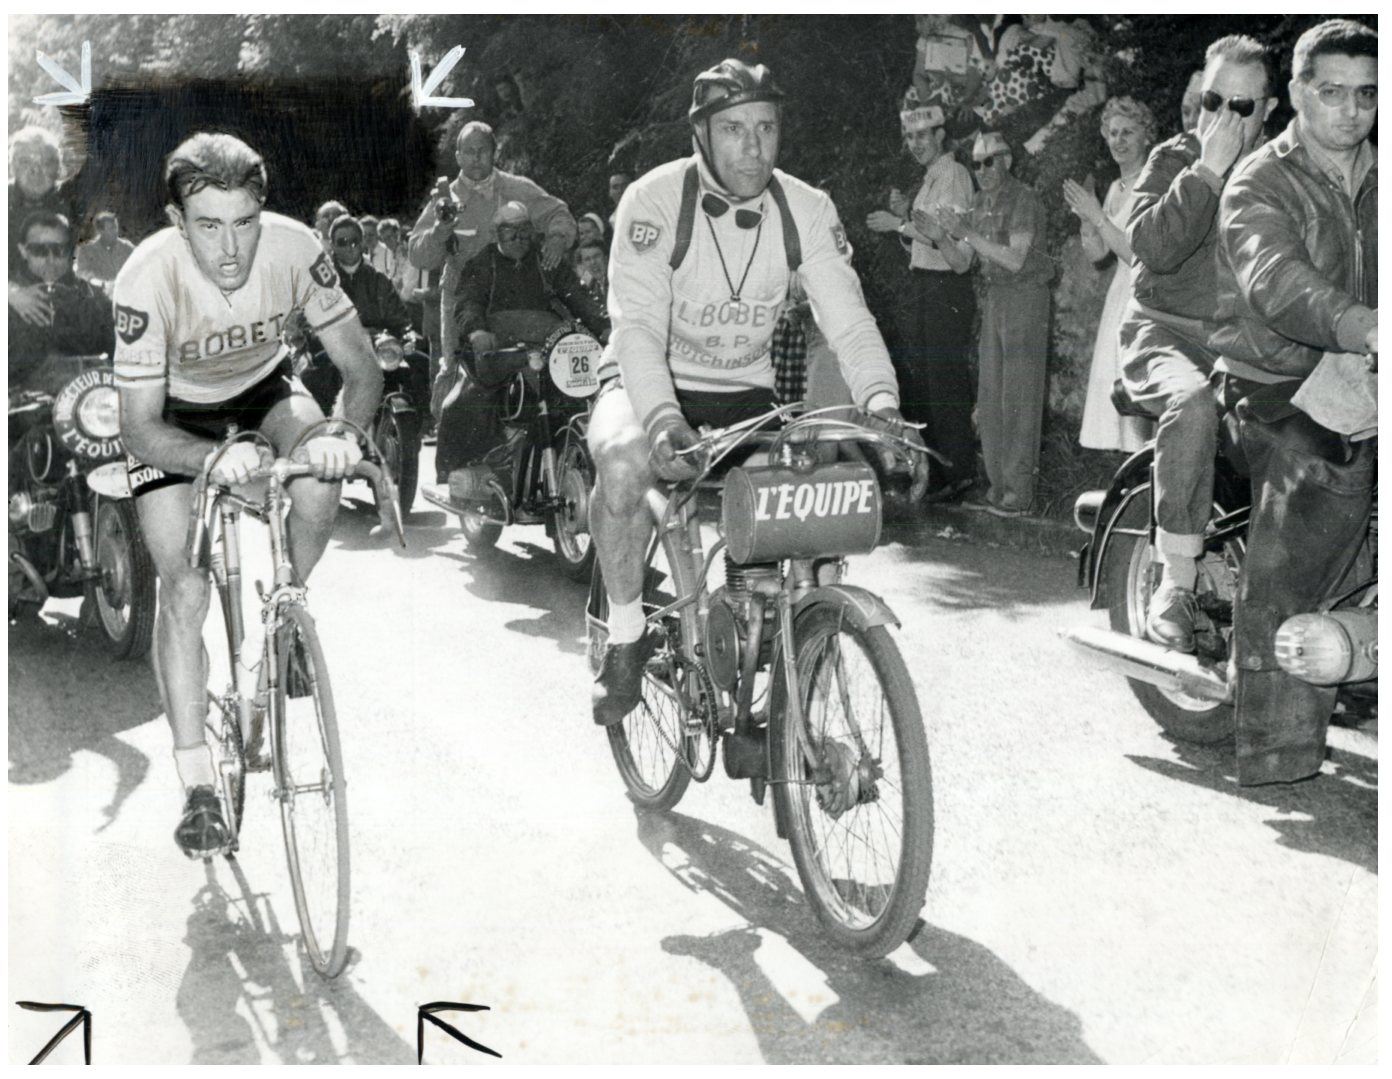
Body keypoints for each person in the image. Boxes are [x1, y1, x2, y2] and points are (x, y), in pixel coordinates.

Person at [588, 58, 928, 727]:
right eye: (735, 129)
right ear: (701, 136)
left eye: (766, 127)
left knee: (821, 494)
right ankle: (626, 635)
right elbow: (637, 327)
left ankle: (784, 657)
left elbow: (850, 322)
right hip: (645, 381)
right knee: (624, 461)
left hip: (745, 393)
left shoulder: (806, 208)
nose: (753, 146)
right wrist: (660, 419)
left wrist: (883, 411)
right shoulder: (653, 201)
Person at [113, 133, 381, 857]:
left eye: (244, 222)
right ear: (177, 219)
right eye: (208, 225)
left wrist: (344, 437)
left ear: (264, 211)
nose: (230, 247)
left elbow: (361, 369)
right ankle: (199, 783)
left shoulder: (296, 249)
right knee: (185, 585)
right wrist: (210, 459)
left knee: (319, 479)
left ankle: (282, 621)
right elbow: (137, 427)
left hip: (263, 388)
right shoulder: (145, 277)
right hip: (171, 415)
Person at [1211, 19, 1377, 785]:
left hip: (1360, 372)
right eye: (1333, 92)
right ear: (1299, 95)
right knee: (1315, 498)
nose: (1352, 110)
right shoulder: (1260, 180)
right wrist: (1361, 323)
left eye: (1368, 95)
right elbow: (1273, 276)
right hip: (1274, 381)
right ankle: (1274, 747)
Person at [1119, 35, 1279, 651]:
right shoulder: (1173, 159)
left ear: (1268, 111)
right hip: (1165, 335)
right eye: (1213, 100)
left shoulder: (1282, 171)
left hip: (1246, 346)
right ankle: (1176, 579)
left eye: (1242, 107)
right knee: (1191, 405)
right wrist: (1207, 171)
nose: (1223, 117)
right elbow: (1152, 248)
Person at [425, 200, 609, 486]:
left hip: (549, 345)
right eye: (512, 233)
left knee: (589, 393)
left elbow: (576, 295)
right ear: (497, 235)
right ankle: (494, 455)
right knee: (471, 398)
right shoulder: (483, 263)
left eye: (525, 232)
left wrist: (605, 326)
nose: (520, 240)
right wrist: (476, 331)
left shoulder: (546, 260)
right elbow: (468, 302)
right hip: (502, 348)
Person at [407, 121, 577, 388]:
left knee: (538, 364)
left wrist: (557, 238)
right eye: (469, 151)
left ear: (494, 153)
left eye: (483, 150)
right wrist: (440, 231)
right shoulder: (444, 200)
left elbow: (558, 213)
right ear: (458, 156)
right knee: (453, 372)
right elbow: (418, 255)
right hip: (461, 299)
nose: (476, 158)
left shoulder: (518, 188)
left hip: (514, 294)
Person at [935, 131, 1053, 517]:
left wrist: (966, 232)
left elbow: (1016, 259)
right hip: (996, 300)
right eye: (976, 163)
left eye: (990, 161)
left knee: (1019, 398)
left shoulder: (1024, 199)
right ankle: (997, 489)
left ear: (1008, 161)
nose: (982, 170)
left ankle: (1018, 495)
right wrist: (940, 237)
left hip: (1025, 298)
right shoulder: (980, 202)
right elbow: (961, 262)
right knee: (991, 398)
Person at [866, 104, 976, 502]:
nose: (915, 144)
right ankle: (941, 471)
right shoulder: (933, 178)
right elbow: (925, 232)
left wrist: (897, 223)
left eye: (923, 136)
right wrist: (904, 216)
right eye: (910, 137)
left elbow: (949, 235)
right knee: (930, 378)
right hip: (928, 284)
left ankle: (958, 472)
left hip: (947, 287)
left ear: (941, 136)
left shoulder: (953, 174)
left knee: (945, 379)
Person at [1068, 96, 1158, 453]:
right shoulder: (1113, 187)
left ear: (1146, 136)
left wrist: (1098, 216)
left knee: (1139, 401)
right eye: (1112, 133)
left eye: (1128, 132)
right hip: (1117, 298)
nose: (1118, 141)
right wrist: (1087, 221)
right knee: (1117, 402)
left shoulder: (1151, 184)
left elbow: (1137, 255)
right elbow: (1098, 254)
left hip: (1143, 297)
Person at [302, 214, 425, 414]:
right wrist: (321, 335)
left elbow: (400, 319)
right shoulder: (321, 282)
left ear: (362, 244)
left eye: (355, 241)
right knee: (315, 376)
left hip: (377, 346)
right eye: (342, 242)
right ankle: (326, 432)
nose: (350, 247)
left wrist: (407, 336)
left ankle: (416, 425)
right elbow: (307, 322)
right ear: (332, 245)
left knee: (418, 363)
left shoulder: (379, 280)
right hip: (337, 347)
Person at [9, 211, 114, 390]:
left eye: (59, 250)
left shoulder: (93, 298)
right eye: (39, 250)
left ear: (70, 250)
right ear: (23, 251)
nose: (50, 259)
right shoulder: (10, 298)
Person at [74, 210, 136, 295]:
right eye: (111, 228)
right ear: (100, 231)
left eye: (116, 227)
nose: (115, 232)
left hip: (126, 294)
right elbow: (82, 273)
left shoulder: (127, 247)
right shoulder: (87, 250)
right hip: (99, 296)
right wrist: (102, 284)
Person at [573, 239, 607, 309]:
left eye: (596, 256)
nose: (593, 262)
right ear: (583, 264)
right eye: (587, 259)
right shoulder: (591, 285)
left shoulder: (617, 279)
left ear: (606, 258)